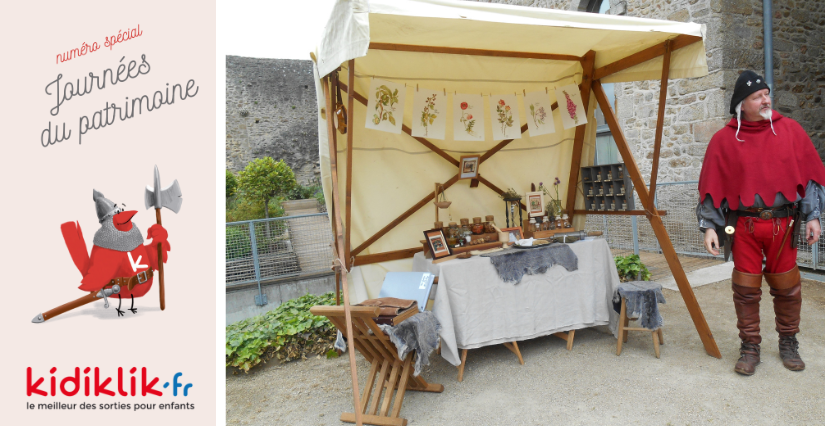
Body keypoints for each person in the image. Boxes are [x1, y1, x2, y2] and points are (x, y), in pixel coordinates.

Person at [696, 70, 825, 376]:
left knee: (788, 287)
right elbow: (712, 188)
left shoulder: (790, 131)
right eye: (758, 96)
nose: (766, 99)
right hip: (744, 227)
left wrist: (814, 216)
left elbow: (807, 178)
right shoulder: (723, 140)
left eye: (766, 93)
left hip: (784, 225)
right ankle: (750, 346)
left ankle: (788, 342)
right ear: (742, 104)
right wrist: (710, 227)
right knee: (745, 289)